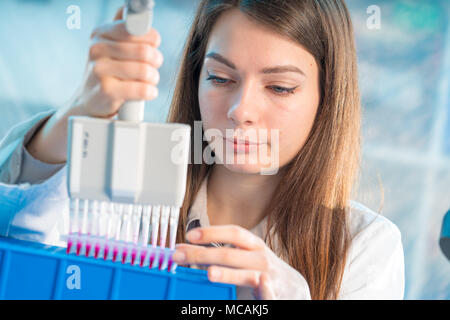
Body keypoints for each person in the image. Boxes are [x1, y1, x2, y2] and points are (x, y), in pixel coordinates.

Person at [0, 0, 404, 300]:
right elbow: (16, 218)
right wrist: (82, 108)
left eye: (280, 87)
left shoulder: (365, 246)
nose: (241, 111)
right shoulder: (124, 190)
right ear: (196, 77)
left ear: (327, 96)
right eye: (220, 77)